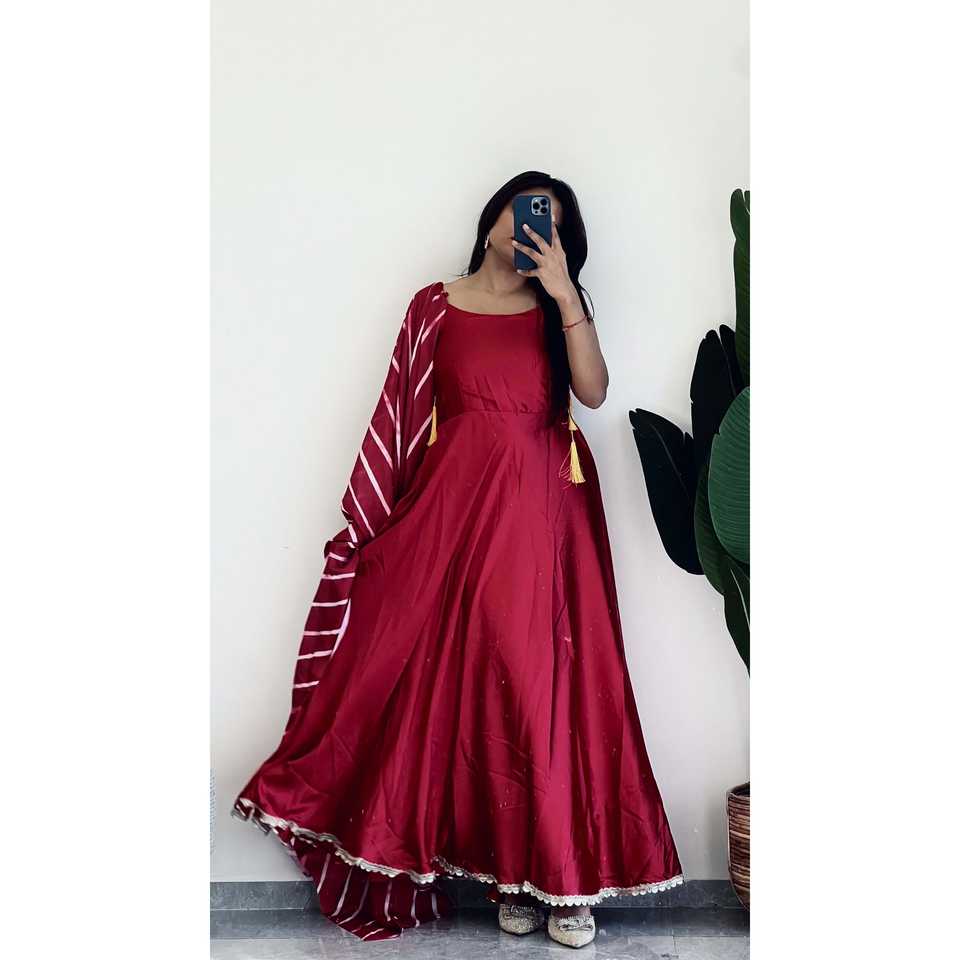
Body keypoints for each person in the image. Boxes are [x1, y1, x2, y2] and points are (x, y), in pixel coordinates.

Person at [231, 171, 683, 947]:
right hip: (455, 512)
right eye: (523, 209)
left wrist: (565, 296)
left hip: (545, 517)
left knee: (545, 683)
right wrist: (378, 523)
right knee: (472, 686)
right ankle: (507, 873)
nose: (530, 227)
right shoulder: (433, 306)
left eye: (550, 221)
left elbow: (594, 392)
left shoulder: (558, 310)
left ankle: (564, 887)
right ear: (494, 215)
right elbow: (401, 412)